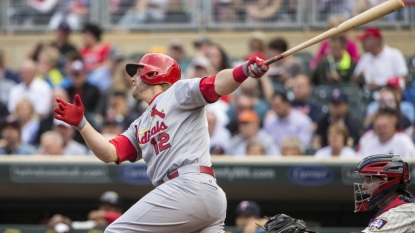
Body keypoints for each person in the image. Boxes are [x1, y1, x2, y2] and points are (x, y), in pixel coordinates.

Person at [53, 52, 270, 232]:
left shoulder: (177, 92)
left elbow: (216, 84)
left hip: (188, 185)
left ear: (152, 72)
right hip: (196, 195)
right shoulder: (139, 123)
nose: (132, 78)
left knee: (114, 231)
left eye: (137, 72)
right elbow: (110, 153)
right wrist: (81, 124)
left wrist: (243, 71)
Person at [355, 154, 415, 232]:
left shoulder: (401, 212)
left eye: (370, 180)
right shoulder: (399, 207)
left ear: (388, 182)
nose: (363, 186)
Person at [47, 191, 123, 230]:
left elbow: (120, 218)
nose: (104, 210)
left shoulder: (123, 222)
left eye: (109, 208)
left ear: (118, 209)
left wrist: (102, 214)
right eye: (103, 207)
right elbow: (76, 225)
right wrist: (63, 220)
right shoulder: (95, 223)